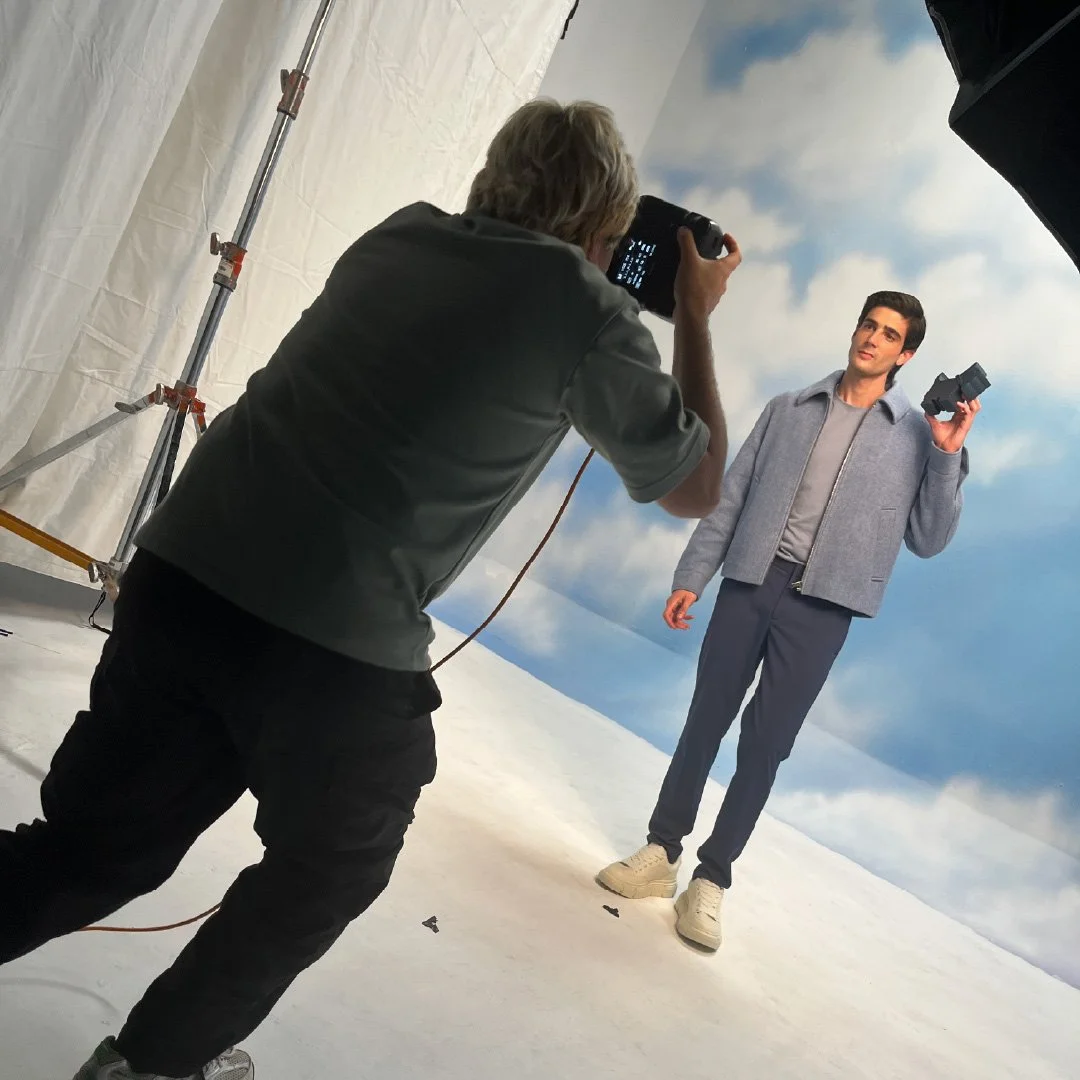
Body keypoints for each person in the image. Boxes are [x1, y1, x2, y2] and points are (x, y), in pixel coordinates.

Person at [0, 99, 742, 1080]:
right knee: (336, 854)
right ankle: (153, 1062)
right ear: (604, 222)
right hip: (328, 639)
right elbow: (694, 488)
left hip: (183, 572)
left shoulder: (403, 234)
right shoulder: (585, 312)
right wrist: (690, 309)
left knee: (93, 844)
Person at [596, 291, 979, 952]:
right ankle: (661, 854)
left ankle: (711, 880)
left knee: (766, 745)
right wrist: (694, 576)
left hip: (823, 607)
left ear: (905, 354)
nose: (871, 339)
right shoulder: (787, 410)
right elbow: (730, 498)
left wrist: (946, 456)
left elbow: (930, 538)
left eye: (889, 335)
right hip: (750, 580)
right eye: (867, 324)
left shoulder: (917, 437)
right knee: (704, 720)